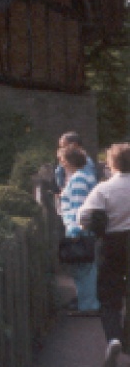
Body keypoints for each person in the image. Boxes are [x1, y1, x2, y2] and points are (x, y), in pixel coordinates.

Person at [79, 142, 130, 367]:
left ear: (112, 163)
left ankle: (114, 338)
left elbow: (84, 217)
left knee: (109, 295)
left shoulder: (104, 189)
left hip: (112, 243)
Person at [59, 146, 100, 315]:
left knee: (83, 269)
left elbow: (78, 207)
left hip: (79, 231)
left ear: (69, 161)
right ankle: (87, 303)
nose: (61, 163)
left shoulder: (78, 180)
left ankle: (88, 305)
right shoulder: (85, 176)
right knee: (86, 268)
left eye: (62, 160)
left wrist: (75, 232)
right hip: (85, 230)